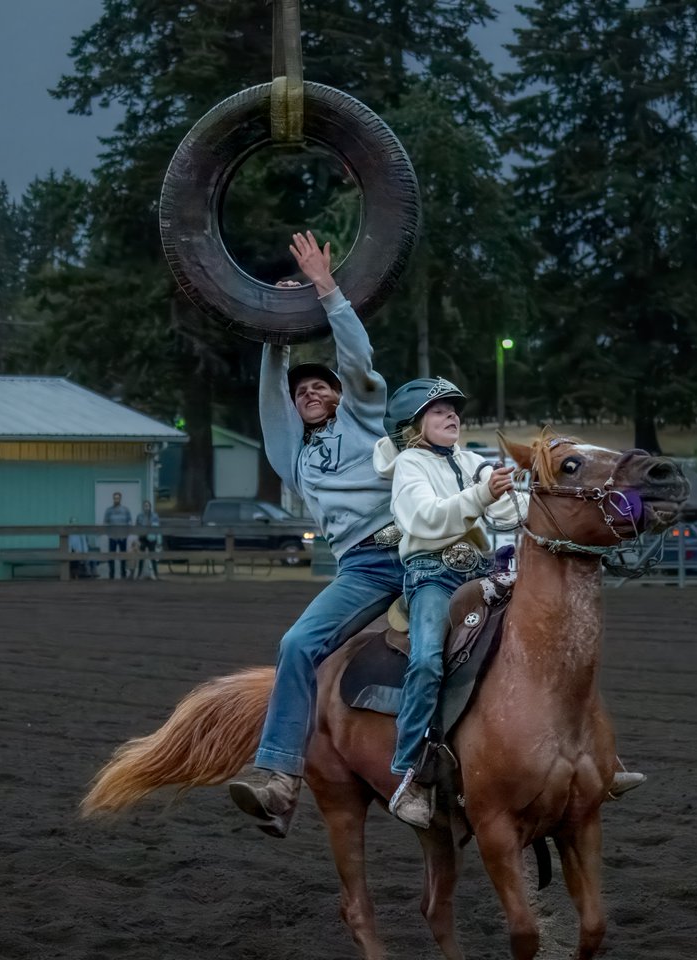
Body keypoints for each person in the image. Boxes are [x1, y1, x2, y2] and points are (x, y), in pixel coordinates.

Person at [227, 231, 407, 839]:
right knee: (298, 644)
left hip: (423, 546)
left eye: (320, 385)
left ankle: (591, 754)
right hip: (362, 567)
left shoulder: (362, 416)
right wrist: (274, 330)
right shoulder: (293, 457)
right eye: (301, 389)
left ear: (339, 395)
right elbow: (268, 400)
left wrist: (325, 289)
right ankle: (277, 780)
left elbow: (356, 359)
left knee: (518, 613)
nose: (311, 392)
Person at [372, 377, 526, 827]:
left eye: (454, 409)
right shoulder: (410, 466)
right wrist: (483, 493)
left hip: (480, 573)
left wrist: (507, 491)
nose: (452, 415)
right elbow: (422, 519)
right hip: (431, 576)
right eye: (439, 410)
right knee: (426, 661)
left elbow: (508, 515)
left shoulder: (472, 459)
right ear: (414, 426)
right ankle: (409, 773)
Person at [103, 492, 131, 580]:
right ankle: (111, 574)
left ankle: (123, 574)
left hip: (123, 537)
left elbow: (129, 521)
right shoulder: (109, 510)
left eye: (118, 498)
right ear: (113, 499)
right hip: (112, 537)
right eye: (115, 498)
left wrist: (127, 532)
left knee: (123, 556)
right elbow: (105, 522)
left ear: (120, 499)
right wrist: (108, 532)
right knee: (111, 556)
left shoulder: (126, 510)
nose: (116, 500)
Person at [134, 500, 161, 580]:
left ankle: (156, 575)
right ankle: (139, 575)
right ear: (143, 507)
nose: (146, 507)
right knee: (141, 557)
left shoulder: (155, 516)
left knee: (153, 557)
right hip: (142, 538)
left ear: (150, 507)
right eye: (145, 506)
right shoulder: (139, 516)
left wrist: (158, 540)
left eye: (148, 506)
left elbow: (157, 528)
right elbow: (136, 527)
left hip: (152, 538)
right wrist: (137, 537)